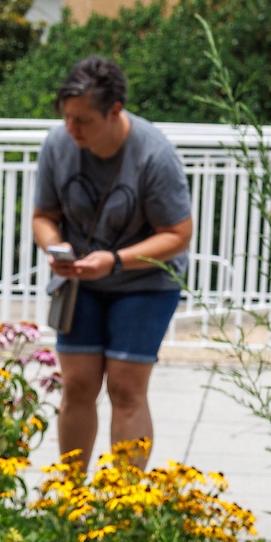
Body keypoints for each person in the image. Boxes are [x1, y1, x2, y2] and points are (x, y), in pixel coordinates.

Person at [29, 56, 196, 473]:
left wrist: (116, 261)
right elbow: (43, 217)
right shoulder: (57, 144)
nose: (72, 129)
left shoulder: (154, 155)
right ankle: (71, 498)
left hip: (145, 283)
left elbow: (178, 234)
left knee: (126, 389)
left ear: (115, 111)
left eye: (83, 120)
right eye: (67, 117)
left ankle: (123, 506)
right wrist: (54, 249)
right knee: (78, 385)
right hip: (80, 283)